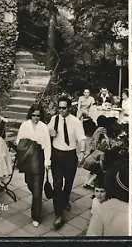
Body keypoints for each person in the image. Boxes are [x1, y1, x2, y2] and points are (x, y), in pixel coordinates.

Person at [48, 95, 86, 229]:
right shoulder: (54, 119)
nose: (61, 111)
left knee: (68, 184)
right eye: (59, 108)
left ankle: (65, 200)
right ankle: (59, 215)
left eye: (64, 108)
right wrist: (50, 133)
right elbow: (47, 131)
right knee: (57, 184)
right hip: (57, 155)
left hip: (70, 155)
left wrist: (82, 152)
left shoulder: (76, 122)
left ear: (69, 107)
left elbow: (81, 138)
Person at [16, 104, 51, 227]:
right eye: (34, 115)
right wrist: (29, 143)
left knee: (37, 189)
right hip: (28, 158)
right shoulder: (25, 125)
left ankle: (36, 216)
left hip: (39, 158)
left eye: (38, 116)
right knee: (29, 182)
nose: (36, 118)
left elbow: (47, 144)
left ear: (41, 116)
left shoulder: (44, 127)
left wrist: (47, 161)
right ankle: (37, 197)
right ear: (30, 115)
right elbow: (18, 140)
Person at [86, 161, 129, 236]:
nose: (99, 194)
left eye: (102, 191)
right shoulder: (95, 201)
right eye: (97, 191)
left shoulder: (108, 207)